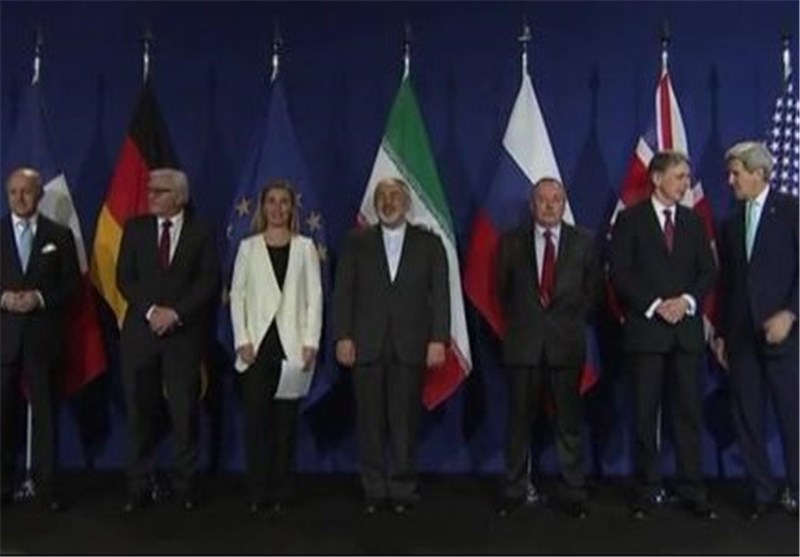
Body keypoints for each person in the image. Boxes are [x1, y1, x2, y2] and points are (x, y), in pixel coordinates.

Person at [609, 150, 717, 519]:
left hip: (686, 334)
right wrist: (656, 305)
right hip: (647, 332)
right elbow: (619, 272)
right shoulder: (630, 220)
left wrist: (685, 301)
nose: (686, 183)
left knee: (688, 413)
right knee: (645, 414)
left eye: (687, 177)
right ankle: (647, 489)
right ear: (657, 179)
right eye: (679, 176)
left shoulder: (693, 222)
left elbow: (708, 271)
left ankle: (692, 489)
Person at [332, 177, 449, 515]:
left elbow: (441, 296)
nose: (388, 201)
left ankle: (402, 488)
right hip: (365, 344)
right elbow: (343, 293)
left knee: (405, 422)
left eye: (395, 195)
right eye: (382, 196)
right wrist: (343, 336)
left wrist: (438, 339)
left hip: (411, 344)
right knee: (369, 422)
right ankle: (373, 488)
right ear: (375, 204)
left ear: (407, 203)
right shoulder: (356, 242)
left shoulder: (429, 244)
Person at [496, 177, 602, 519]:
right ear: (532, 205)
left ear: (564, 204)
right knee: (519, 423)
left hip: (566, 346)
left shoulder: (584, 242)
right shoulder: (511, 242)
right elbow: (502, 291)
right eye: (542, 199)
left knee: (569, 424)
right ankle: (514, 490)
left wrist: (565, 321)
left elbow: (594, 292)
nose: (549, 205)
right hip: (523, 345)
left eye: (556, 199)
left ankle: (573, 493)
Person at [117, 168, 220, 513]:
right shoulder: (135, 229)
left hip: (183, 336)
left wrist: (175, 313)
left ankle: (184, 485)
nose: (151, 195)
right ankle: (138, 485)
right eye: (150, 190)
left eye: (159, 191)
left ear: (179, 197)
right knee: (139, 412)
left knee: (184, 413)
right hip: (141, 335)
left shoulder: (201, 232)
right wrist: (151, 312)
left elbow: (208, 281)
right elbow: (125, 278)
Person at [714, 141, 798, 520]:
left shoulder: (792, 212)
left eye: (736, 173)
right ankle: (762, 493)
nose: (730, 181)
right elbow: (728, 282)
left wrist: (791, 314)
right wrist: (720, 332)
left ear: (759, 173)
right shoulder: (730, 222)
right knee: (747, 417)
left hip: (785, 335)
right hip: (741, 336)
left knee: (793, 417)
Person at [229, 179, 322, 515]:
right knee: (256, 424)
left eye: (284, 202)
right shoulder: (248, 248)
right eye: (272, 201)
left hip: (292, 348)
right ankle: (257, 489)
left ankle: (284, 490)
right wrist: (242, 339)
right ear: (263, 206)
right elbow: (237, 296)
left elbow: (314, 297)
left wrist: (311, 342)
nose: (278, 208)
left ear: (292, 208)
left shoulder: (305, 247)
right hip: (255, 349)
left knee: (286, 425)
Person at [0, 167, 80, 512]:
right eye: (13, 192)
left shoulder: (58, 235)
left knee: (45, 414)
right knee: (3, 414)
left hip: (42, 338)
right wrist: (3, 298)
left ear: (39, 194)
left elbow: (72, 285)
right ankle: (3, 483)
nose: (19, 198)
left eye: (26, 191)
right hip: (4, 338)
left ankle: (46, 486)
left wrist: (40, 298)